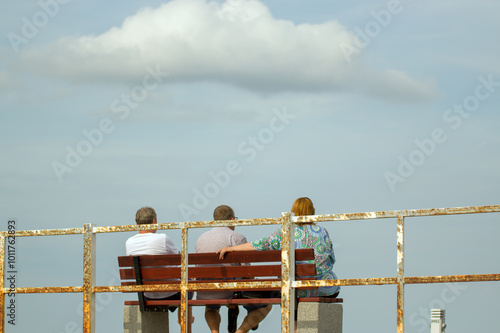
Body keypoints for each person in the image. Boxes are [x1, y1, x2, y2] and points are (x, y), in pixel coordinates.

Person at [217, 197, 340, 333]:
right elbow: (330, 260)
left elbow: (261, 244)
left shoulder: (286, 231)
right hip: (323, 287)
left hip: (295, 288)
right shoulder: (322, 232)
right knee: (307, 287)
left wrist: (232, 248)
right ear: (312, 212)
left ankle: (294, 328)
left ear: (293, 212)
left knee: (291, 290)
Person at [195, 205, 265, 333]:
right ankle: (241, 331)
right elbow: (247, 273)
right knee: (266, 305)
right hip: (233, 292)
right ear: (232, 219)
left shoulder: (201, 238)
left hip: (206, 291)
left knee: (211, 308)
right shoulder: (237, 237)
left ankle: (215, 331)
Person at [125, 206, 194, 332]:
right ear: (153, 222)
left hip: (146, 295)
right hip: (171, 293)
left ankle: (183, 314)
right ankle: (184, 321)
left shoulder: (129, 242)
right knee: (188, 282)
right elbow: (179, 259)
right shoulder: (162, 238)